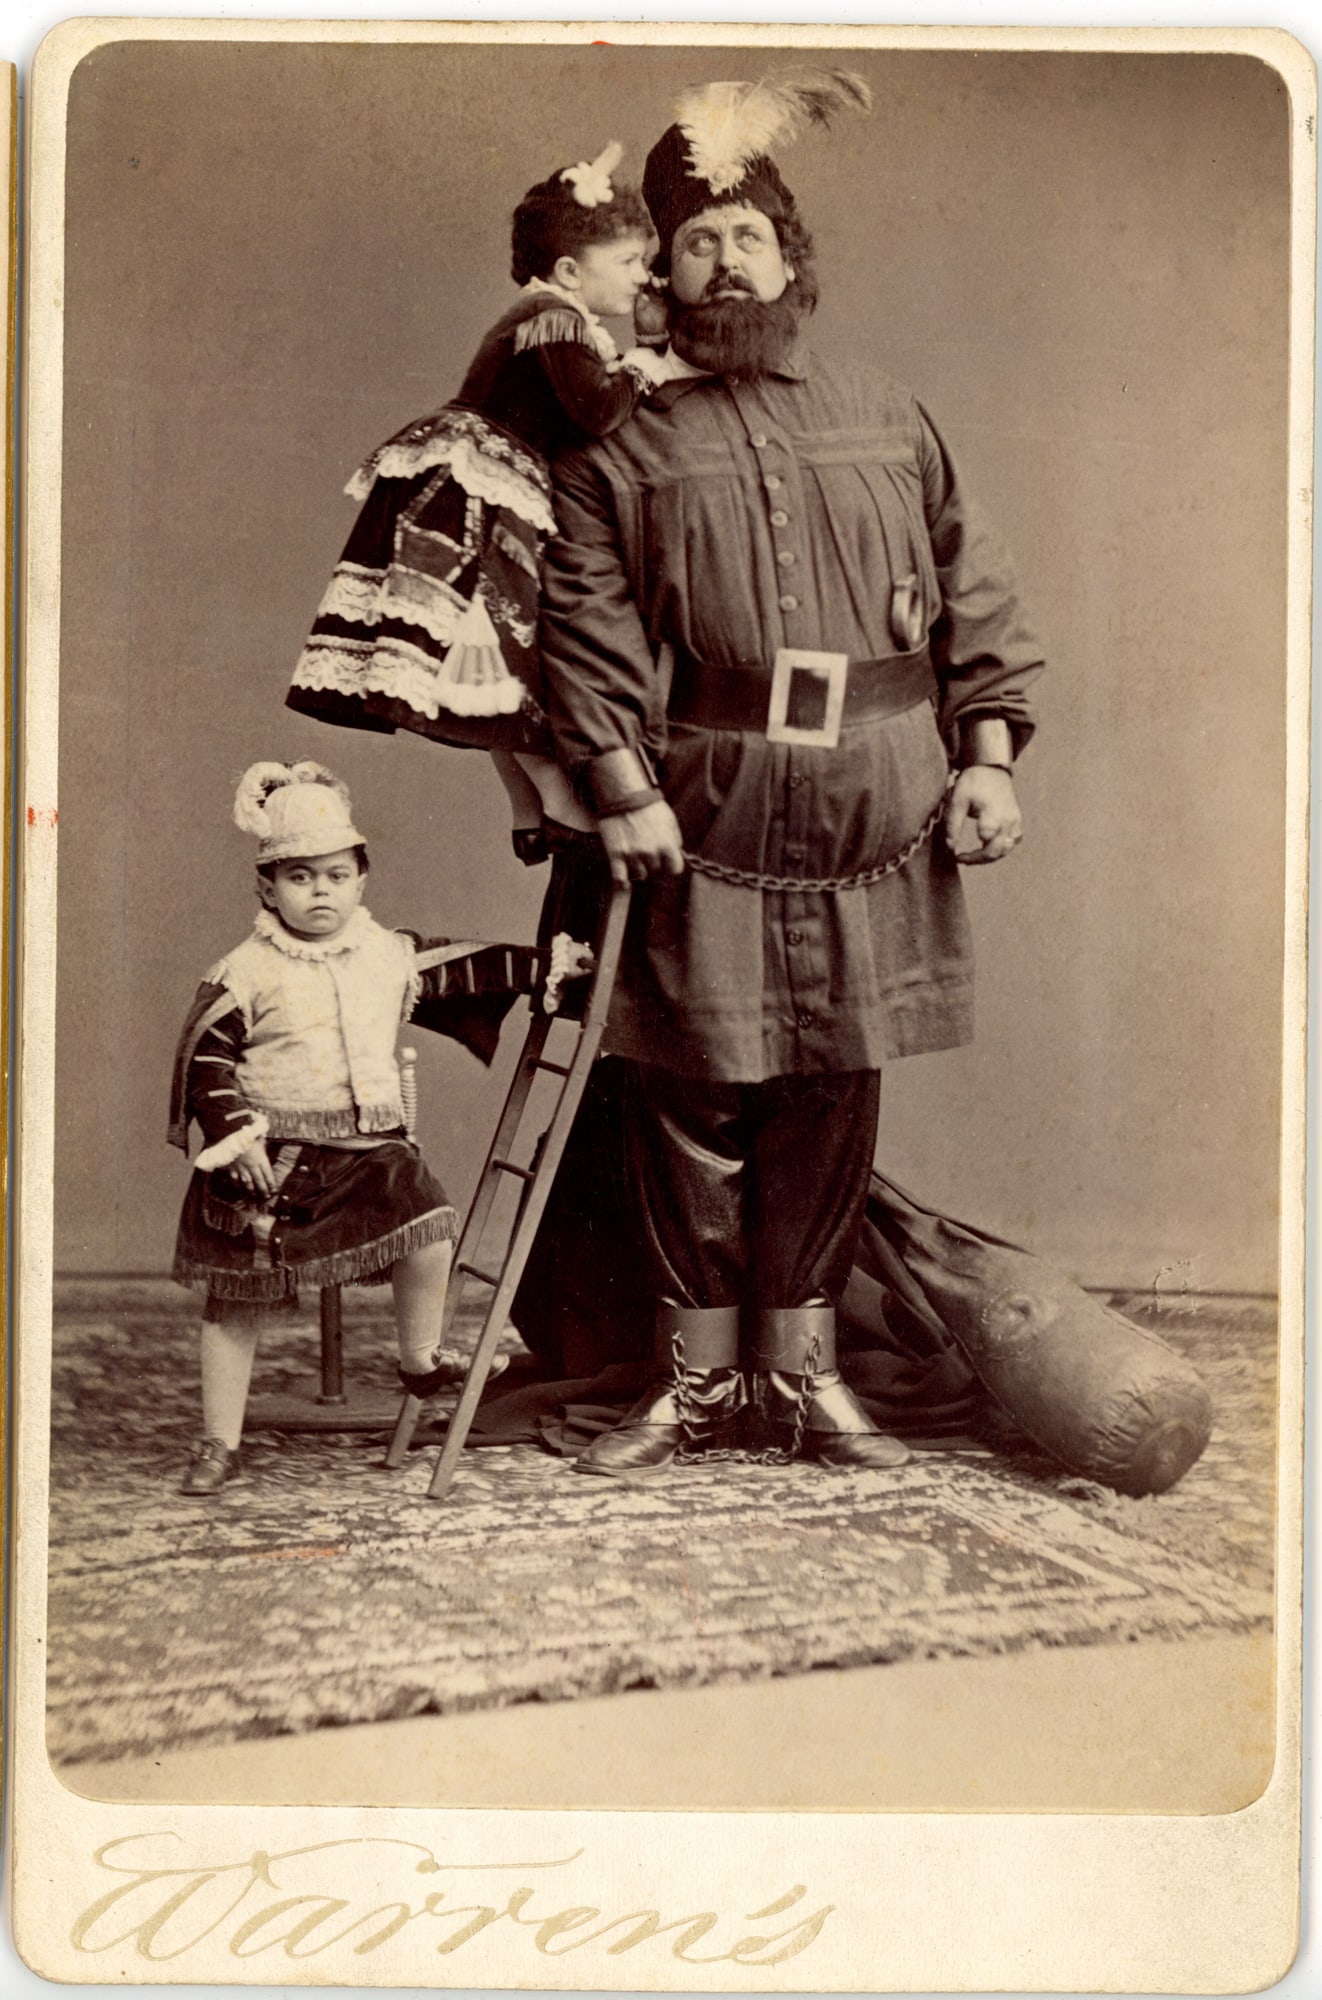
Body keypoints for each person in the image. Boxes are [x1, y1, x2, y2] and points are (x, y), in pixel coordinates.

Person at [537, 73, 1046, 1478]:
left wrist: (988, 757)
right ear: (658, 271)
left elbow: (975, 593)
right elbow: (579, 627)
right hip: (702, 801)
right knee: (686, 1083)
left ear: (790, 254)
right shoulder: (615, 441)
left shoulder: (888, 411)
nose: (725, 261)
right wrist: (622, 788)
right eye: (695, 241)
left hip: (880, 797)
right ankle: (697, 1383)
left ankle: (805, 1380)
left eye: (747, 236)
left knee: (831, 1077)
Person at [167, 759, 547, 1493]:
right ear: (267, 888)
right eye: (300, 877)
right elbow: (205, 1059)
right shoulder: (243, 970)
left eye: (337, 876)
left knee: (430, 1224)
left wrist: (548, 968)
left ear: (361, 880)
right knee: (235, 1301)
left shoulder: (386, 954)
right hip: (270, 1159)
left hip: (367, 1152)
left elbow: (471, 966)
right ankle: (217, 1441)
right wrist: (236, 1137)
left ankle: (420, 1359)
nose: (321, 891)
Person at [285, 142, 666, 863]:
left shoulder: (548, 318)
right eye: (628, 262)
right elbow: (595, 413)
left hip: (479, 481)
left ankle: (527, 807)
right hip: (474, 493)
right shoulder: (554, 318)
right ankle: (553, 799)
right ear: (569, 272)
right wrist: (647, 365)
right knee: (504, 644)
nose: (641, 275)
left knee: (483, 654)